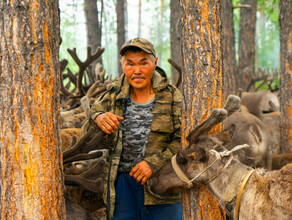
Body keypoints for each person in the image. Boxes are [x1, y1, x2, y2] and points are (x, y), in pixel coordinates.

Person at [82, 38, 182, 219]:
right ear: (122, 65)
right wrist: (98, 117)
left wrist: (153, 164)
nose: (137, 71)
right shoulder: (112, 95)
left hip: (163, 187)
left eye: (144, 63)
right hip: (122, 187)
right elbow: (85, 134)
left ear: (155, 63)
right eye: (130, 64)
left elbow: (183, 140)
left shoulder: (173, 97)